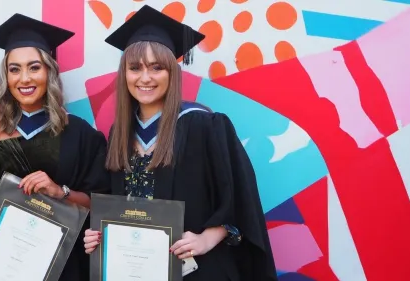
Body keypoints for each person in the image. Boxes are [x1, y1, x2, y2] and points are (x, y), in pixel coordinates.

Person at [81, 5, 277, 281]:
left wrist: (208, 238)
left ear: (172, 72)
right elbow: (116, 208)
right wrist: (100, 235)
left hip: (196, 270)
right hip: (135, 271)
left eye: (156, 67)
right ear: (124, 74)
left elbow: (242, 200)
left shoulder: (204, 125)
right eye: (135, 68)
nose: (145, 78)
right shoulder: (119, 134)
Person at [0, 13, 110, 281]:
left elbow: (99, 204)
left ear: (49, 70)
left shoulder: (80, 134)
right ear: (6, 76)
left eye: (34, 67)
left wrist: (60, 191)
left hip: (61, 270)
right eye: (14, 69)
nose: (24, 78)